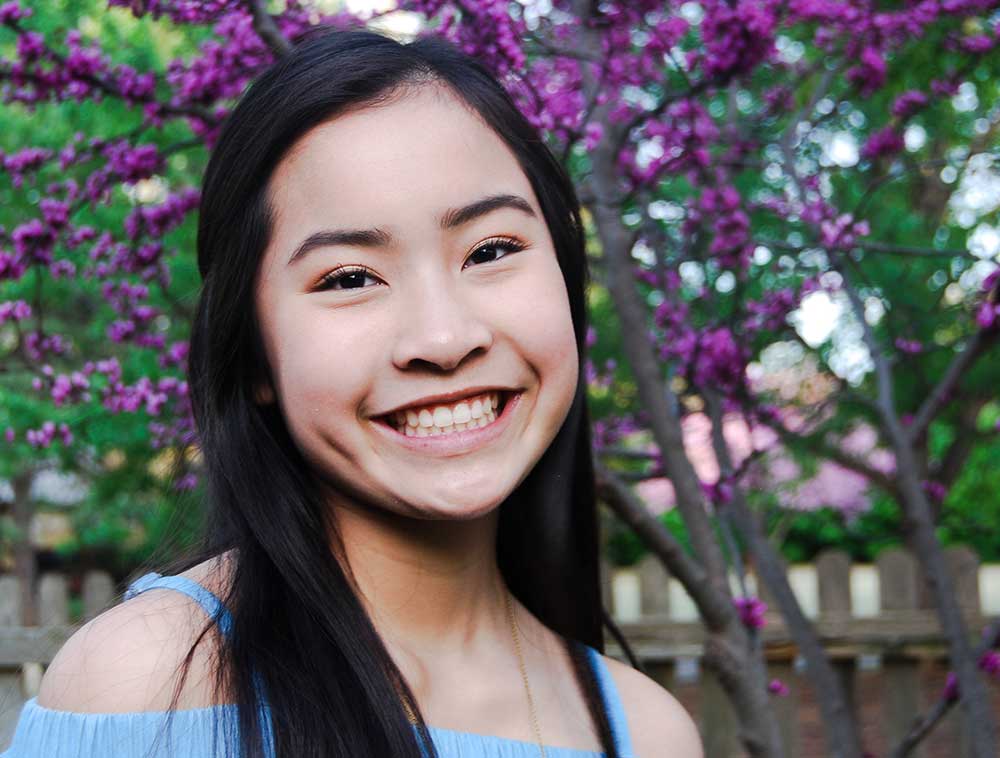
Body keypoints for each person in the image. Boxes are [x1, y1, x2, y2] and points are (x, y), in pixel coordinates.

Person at [2, 26, 703, 758]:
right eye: (350, 278)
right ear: (254, 357)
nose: (443, 338)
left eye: (491, 250)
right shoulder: (153, 687)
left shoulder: (648, 734)